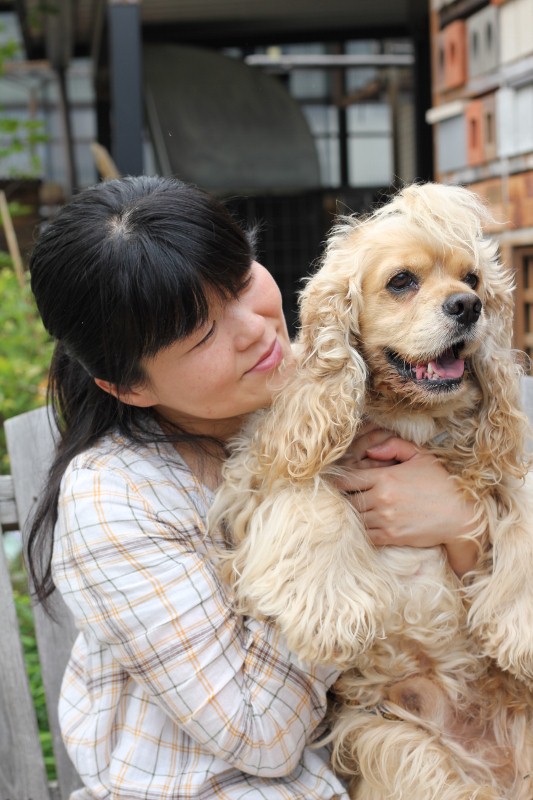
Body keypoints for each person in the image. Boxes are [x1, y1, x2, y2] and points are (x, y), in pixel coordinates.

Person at [27, 175, 480, 800]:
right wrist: (329, 526)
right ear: (129, 386)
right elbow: (262, 736)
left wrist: (461, 524)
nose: (255, 330)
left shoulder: (340, 384)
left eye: (242, 282)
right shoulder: (115, 499)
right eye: (202, 334)